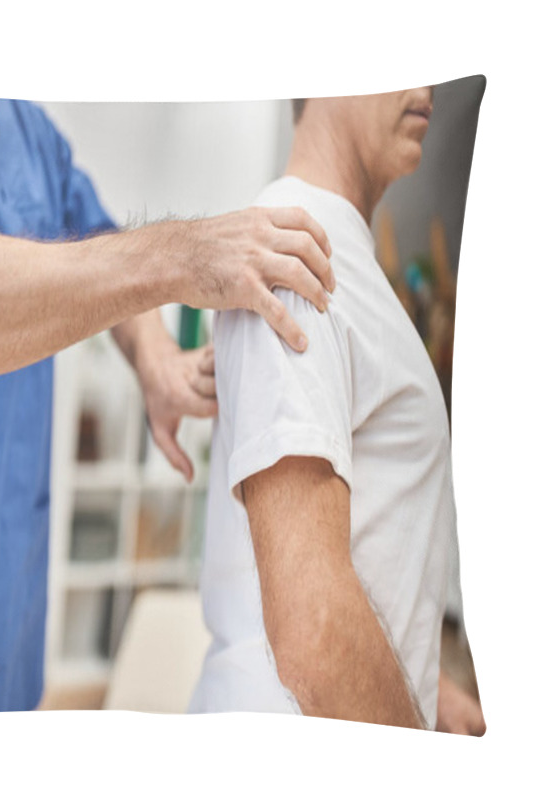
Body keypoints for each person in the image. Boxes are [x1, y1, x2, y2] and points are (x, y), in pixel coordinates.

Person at [0, 76, 335, 735]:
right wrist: (185, 255)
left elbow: (96, 237)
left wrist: (155, 361)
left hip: (5, 617)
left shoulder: (31, 131)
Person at [189, 87, 485, 734]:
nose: (426, 84)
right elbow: (313, 631)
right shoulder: (289, 241)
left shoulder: (337, 254)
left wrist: (426, 692)